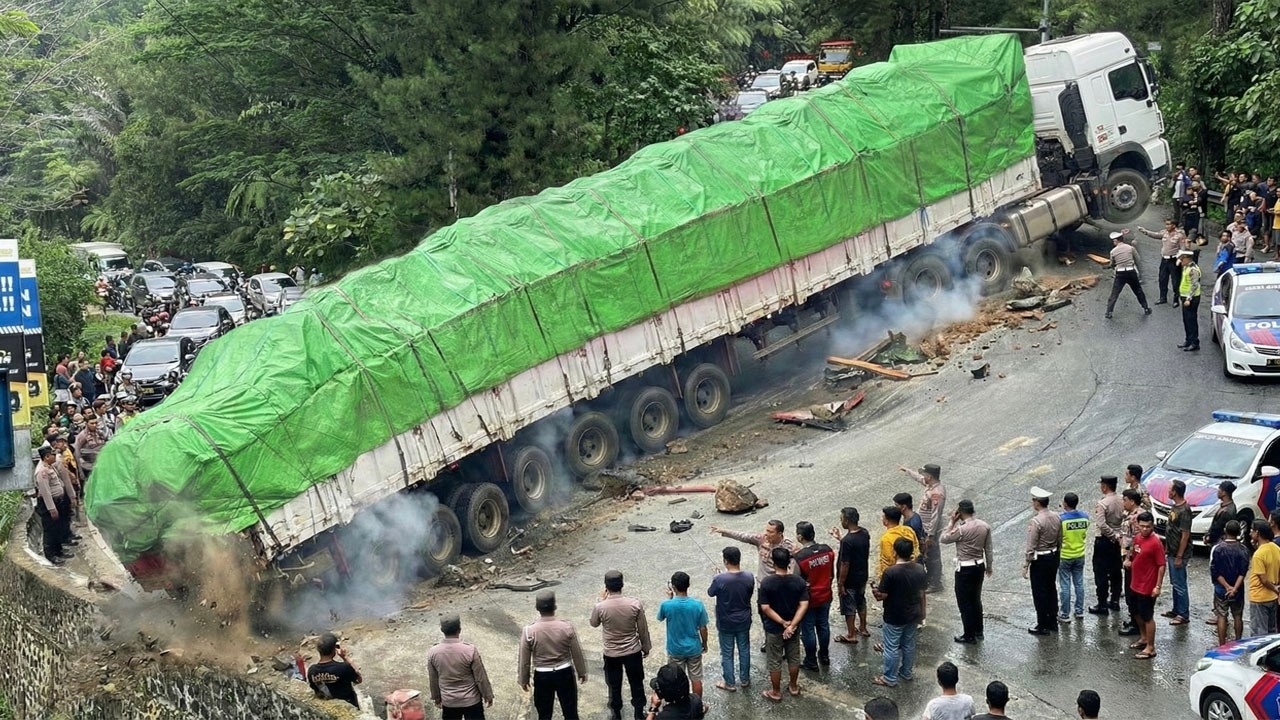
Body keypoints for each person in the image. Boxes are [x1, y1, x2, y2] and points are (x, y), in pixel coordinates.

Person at [590, 570, 652, 720]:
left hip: (612, 654)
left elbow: (594, 623)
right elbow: (642, 629)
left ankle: (616, 714)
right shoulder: (634, 604)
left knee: (614, 685)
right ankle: (638, 713)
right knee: (636, 682)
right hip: (632, 651)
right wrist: (646, 647)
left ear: (606, 587)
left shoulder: (601, 607)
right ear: (622, 585)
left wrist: (600, 600)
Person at [518, 590, 588, 720]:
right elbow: (576, 652)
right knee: (570, 712)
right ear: (554, 607)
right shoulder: (566, 627)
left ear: (537, 608)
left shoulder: (529, 631)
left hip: (542, 675)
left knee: (544, 714)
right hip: (565, 672)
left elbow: (524, 660)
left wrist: (524, 679)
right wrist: (581, 671)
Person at [872, 537, 926, 688]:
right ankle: (906, 672)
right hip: (913, 613)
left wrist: (875, 591)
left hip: (895, 615)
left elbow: (882, 596)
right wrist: (923, 612)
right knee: (909, 644)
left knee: (891, 647)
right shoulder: (919, 569)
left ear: (895, 552)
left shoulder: (891, 572)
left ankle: (889, 677)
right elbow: (922, 594)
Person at [757, 547, 808, 702]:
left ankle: (776, 691)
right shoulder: (798, 581)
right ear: (789, 562)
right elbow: (804, 604)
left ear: (773, 563)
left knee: (774, 659)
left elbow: (765, 608)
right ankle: (793, 687)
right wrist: (792, 625)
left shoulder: (767, 583)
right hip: (794, 627)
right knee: (793, 657)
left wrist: (782, 622)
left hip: (774, 628)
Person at [940, 499, 993, 644]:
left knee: (964, 602)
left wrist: (951, 522)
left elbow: (944, 539)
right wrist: (989, 566)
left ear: (960, 512)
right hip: (979, 566)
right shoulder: (985, 526)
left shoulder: (962, 529)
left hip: (965, 568)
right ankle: (978, 630)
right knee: (976, 599)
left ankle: (968, 635)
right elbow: (988, 548)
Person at [427, 615, 494, 719]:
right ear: (459, 629)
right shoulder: (470, 650)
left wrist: (436, 697)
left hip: (449, 701)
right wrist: (487, 695)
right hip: (471, 701)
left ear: (442, 630)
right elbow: (480, 678)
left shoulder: (433, 652)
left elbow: (433, 678)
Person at [706, 547, 753, 691]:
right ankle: (744, 679)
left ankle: (730, 683)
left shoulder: (720, 579)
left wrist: (716, 577)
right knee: (744, 649)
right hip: (744, 619)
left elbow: (710, 592)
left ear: (725, 561)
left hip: (726, 621)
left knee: (727, 652)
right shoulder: (749, 576)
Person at [656, 572, 708, 699]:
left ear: (673, 587)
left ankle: (678, 705)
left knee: (675, 678)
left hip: (675, 649)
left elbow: (661, 617)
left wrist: (670, 599)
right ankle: (698, 705)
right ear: (688, 585)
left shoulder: (666, 604)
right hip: (693, 647)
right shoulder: (697, 605)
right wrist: (704, 644)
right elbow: (703, 628)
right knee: (696, 679)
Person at [791, 521, 834, 670]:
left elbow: (795, 582)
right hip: (826, 595)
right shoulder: (827, 551)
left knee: (808, 630)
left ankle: (811, 660)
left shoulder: (800, 558)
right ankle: (824, 655)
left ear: (800, 537)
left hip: (809, 599)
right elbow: (831, 574)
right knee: (823, 626)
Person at [900, 463, 947, 592]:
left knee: (932, 556)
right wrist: (908, 470)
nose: (923, 477)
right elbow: (919, 478)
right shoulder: (930, 485)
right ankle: (932, 577)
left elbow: (935, 516)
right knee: (926, 554)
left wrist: (930, 536)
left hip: (929, 530)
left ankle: (935, 583)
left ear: (930, 476)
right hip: (925, 528)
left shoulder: (937, 493)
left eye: (925, 474)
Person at [1125, 511, 1165, 660]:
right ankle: (1143, 638)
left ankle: (1151, 647)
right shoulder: (1137, 538)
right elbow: (1134, 553)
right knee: (1136, 612)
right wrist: (1129, 560)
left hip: (1147, 586)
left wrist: (1158, 586)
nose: (1145, 529)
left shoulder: (1156, 543)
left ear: (1152, 526)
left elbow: (1161, 565)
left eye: (1148, 527)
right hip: (1135, 583)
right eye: (1142, 526)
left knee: (1148, 616)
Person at [710, 520, 797, 584]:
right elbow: (743, 536)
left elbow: (796, 563)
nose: (766, 534)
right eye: (766, 530)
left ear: (779, 534)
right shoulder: (761, 539)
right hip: (762, 582)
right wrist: (724, 531)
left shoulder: (789, 546)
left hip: (780, 583)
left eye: (770, 532)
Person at [1024, 487, 1061, 635]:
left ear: (1037, 503)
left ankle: (1042, 624)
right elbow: (1060, 538)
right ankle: (1052, 621)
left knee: (1040, 592)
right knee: (1051, 589)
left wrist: (1026, 563)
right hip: (1053, 556)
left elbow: (1031, 545)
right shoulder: (1056, 516)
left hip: (1040, 559)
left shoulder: (1036, 521)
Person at [831, 507, 870, 643]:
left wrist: (841, 584)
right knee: (861, 601)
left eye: (841, 519)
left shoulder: (847, 541)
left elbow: (845, 564)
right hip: (863, 575)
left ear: (847, 521)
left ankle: (851, 634)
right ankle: (863, 628)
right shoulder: (864, 533)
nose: (841, 521)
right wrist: (840, 538)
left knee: (849, 606)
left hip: (850, 579)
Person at [1089, 475, 1125, 615]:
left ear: (1105, 487)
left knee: (1101, 573)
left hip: (1105, 541)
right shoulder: (1122, 499)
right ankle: (1115, 600)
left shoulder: (1103, 503)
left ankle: (1102, 604)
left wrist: (1112, 535)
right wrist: (1118, 535)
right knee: (1116, 571)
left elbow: (1101, 524)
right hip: (1118, 540)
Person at [1209, 520, 1249, 646]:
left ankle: (1222, 644)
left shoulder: (1218, 549)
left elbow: (1215, 571)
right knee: (1237, 615)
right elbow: (1243, 572)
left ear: (1225, 531)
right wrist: (1234, 588)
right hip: (1238, 588)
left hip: (1221, 588)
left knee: (1222, 615)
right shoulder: (1243, 550)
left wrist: (1227, 587)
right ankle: (1238, 642)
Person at [32, 446, 70, 565]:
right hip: (48, 503)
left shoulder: (50, 466)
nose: (55, 456)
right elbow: (46, 492)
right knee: (50, 529)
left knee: (57, 527)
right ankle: (51, 554)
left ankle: (58, 551)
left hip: (57, 501)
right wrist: (52, 508)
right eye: (53, 454)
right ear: (47, 457)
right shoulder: (42, 471)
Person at [1056, 492, 1090, 622]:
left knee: (1065, 585)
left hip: (1065, 555)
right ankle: (1079, 610)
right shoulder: (1085, 517)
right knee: (1079, 583)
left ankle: (1065, 614)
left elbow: (1058, 538)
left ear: (1065, 503)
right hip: (1079, 554)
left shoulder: (1062, 520)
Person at [1137, 220, 1187, 305]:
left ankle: (1176, 299)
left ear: (1174, 225)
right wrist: (1144, 231)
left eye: (1168, 224)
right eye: (1166, 224)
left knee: (1175, 281)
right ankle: (1162, 298)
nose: (1166, 226)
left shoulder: (1179, 235)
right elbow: (1155, 235)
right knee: (1162, 279)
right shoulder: (1164, 233)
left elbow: (1183, 248)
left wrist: (1180, 259)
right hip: (1164, 260)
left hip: (1174, 260)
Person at [1163, 479, 1192, 625]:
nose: (1168, 491)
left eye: (1169, 489)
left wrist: (1179, 556)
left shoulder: (1185, 510)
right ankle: (1176, 609)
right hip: (1172, 551)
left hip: (1179, 554)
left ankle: (1183, 614)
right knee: (1175, 582)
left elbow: (1185, 535)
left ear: (1174, 492)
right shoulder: (1175, 507)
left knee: (1180, 584)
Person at [307, 632, 363, 707]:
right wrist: (344, 657)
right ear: (334, 649)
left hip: (328, 707)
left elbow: (315, 689)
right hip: (348, 706)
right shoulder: (343, 667)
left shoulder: (312, 671)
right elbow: (358, 680)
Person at [1104, 230, 1151, 319]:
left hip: (1120, 274)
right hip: (1131, 272)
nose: (1113, 242)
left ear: (1117, 240)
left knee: (1115, 293)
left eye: (1114, 241)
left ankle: (1108, 312)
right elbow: (1138, 260)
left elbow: (1112, 264)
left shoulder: (1113, 251)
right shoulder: (1130, 248)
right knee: (1138, 291)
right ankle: (1146, 308)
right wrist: (1140, 273)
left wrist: (1112, 266)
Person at [1117, 488, 1144, 637]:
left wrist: (1129, 559)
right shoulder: (1129, 515)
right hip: (1126, 557)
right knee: (1129, 591)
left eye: (1125, 500)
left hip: (1132, 560)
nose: (1123, 502)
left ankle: (1136, 624)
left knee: (1132, 592)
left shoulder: (1136, 518)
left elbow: (1136, 541)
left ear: (1132, 501)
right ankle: (1133, 619)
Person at [1248, 521, 1280, 636]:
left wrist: (1274, 588)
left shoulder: (1259, 555)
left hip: (1259, 598)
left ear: (1258, 533)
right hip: (1272, 598)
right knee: (1271, 633)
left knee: (1258, 635)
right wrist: (1276, 589)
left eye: (1252, 530)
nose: (1250, 533)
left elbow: (1263, 579)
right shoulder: (1276, 548)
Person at [876, 506, 919, 581]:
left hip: (894, 576)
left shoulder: (886, 538)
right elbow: (916, 549)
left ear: (886, 521)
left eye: (883, 517)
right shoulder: (908, 530)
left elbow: (890, 560)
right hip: (912, 569)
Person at [1178, 249, 1203, 352]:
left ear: (1187, 258)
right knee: (1186, 320)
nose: (1180, 261)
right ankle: (1188, 340)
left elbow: (1194, 285)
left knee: (1191, 320)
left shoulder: (1193, 269)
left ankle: (1194, 342)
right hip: (1185, 296)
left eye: (1182, 259)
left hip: (1191, 298)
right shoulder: (1186, 267)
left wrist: (1189, 298)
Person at [73, 416, 108, 484]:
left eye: (96, 423)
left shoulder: (99, 433)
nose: (94, 425)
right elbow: (77, 454)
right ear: (86, 423)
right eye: (92, 423)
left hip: (102, 464)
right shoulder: (82, 436)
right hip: (89, 466)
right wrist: (81, 472)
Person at [893, 493, 925, 566]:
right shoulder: (912, 516)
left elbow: (921, 541)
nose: (895, 508)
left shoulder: (913, 524)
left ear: (903, 507)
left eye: (896, 505)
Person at [1206, 481, 1238, 546]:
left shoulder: (1226, 512)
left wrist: (1209, 538)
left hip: (1219, 543)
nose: (1217, 491)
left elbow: (1218, 529)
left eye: (1219, 489)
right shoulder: (1226, 506)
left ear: (1224, 493)